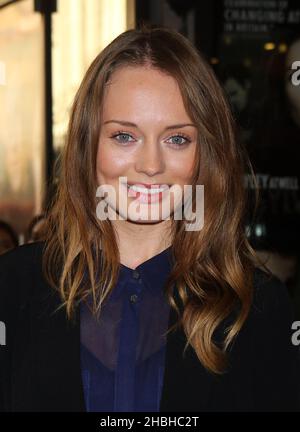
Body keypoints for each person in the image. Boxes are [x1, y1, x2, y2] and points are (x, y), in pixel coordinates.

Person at [0, 25, 299, 413]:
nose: (151, 166)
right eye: (125, 136)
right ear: (88, 143)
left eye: (177, 139)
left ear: (205, 154)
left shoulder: (257, 307)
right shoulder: (12, 288)